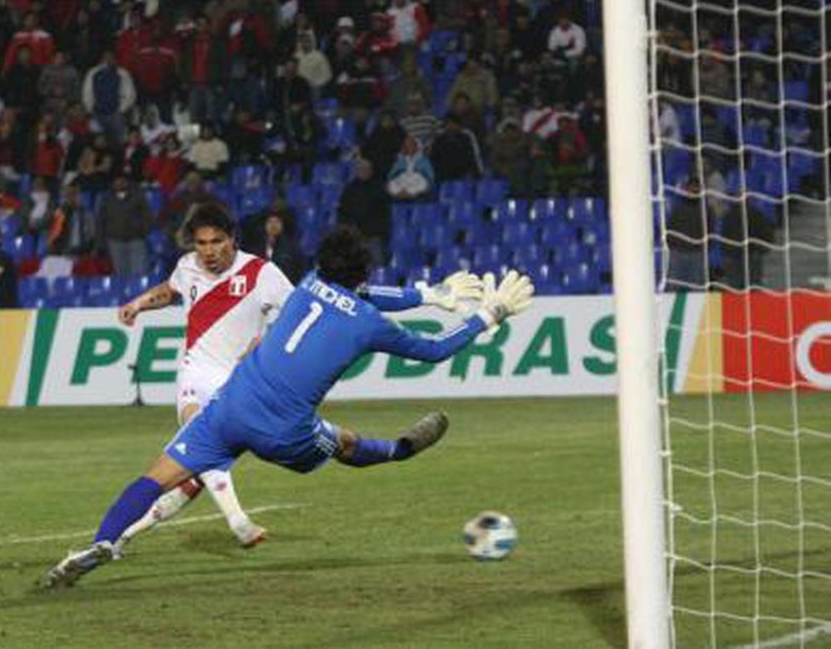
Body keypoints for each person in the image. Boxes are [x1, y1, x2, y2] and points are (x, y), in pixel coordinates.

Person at [43, 227, 531, 588]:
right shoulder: (370, 323)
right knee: (341, 441)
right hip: (284, 431)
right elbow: (434, 350)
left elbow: (360, 292)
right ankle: (399, 451)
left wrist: (428, 295)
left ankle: (104, 541)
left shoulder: (312, 281)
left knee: (156, 475)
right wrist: (489, 313)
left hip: (229, 407)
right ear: (364, 269)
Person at [111, 204, 294, 549]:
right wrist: (138, 303)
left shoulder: (261, 272)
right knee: (201, 446)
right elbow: (170, 290)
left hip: (239, 383)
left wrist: (265, 338)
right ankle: (239, 521)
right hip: (195, 373)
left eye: (216, 241)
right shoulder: (188, 266)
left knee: (192, 475)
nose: (208, 251)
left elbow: (294, 313)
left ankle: (121, 537)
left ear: (232, 240)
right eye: (201, 243)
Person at [97, 174, 154, 276]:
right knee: (121, 275)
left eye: (122, 180)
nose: (119, 183)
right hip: (115, 241)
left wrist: (142, 232)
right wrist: (101, 241)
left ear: (127, 181)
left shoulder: (138, 196)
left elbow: (148, 216)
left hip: (136, 240)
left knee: (138, 273)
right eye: (116, 180)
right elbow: (101, 221)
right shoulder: (106, 199)